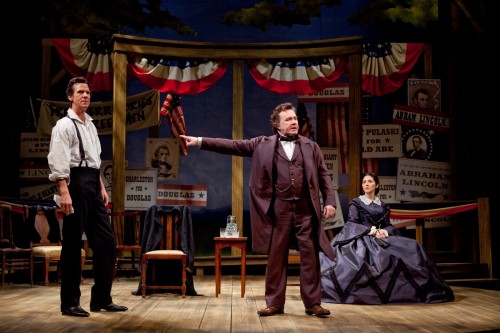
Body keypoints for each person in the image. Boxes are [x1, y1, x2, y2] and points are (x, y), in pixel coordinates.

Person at [180, 102, 336, 317]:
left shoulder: (311, 146)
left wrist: (329, 201)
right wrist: (199, 141)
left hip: (305, 209)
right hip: (278, 209)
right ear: (277, 125)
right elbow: (233, 145)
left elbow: (324, 175)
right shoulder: (262, 144)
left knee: (310, 257)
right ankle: (274, 303)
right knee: (276, 256)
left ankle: (313, 303)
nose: (294, 122)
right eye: (289, 120)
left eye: (295, 119)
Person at [47, 77, 128, 317]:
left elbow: (94, 160)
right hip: (74, 182)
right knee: (73, 245)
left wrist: (101, 186)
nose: (86, 95)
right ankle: (70, 303)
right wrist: (64, 191)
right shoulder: (63, 125)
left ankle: (102, 298)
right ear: (70, 96)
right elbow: (58, 159)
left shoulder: (90, 125)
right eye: (80, 92)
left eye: (88, 92)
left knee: (106, 244)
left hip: (92, 181)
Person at [320, 172, 455, 304]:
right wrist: (370, 231)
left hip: (381, 236)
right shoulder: (356, 203)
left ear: (377, 185)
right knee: (364, 258)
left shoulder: (382, 205)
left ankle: (411, 290)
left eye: (370, 181)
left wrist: (384, 231)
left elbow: (388, 225)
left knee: (412, 246)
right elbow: (352, 223)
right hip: (362, 236)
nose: (366, 184)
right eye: (364, 182)